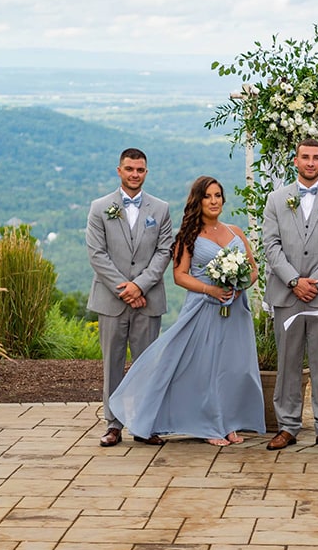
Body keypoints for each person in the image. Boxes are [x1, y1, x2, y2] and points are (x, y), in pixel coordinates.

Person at [109, 176, 266, 445]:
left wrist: (240, 285)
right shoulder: (188, 236)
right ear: (198, 201)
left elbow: (253, 269)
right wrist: (212, 290)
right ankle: (207, 426)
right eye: (208, 196)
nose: (214, 201)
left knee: (233, 367)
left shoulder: (236, 232)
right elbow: (180, 275)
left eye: (218, 196)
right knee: (203, 369)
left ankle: (227, 423)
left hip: (235, 310)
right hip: (204, 308)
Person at [263, 138, 318, 451]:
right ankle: (287, 426)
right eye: (305, 157)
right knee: (288, 361)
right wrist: (293, 281)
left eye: (316, 157)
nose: (311, 162)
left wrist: (315, 282)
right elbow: (270, 246)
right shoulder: (276, 199)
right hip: (287, 295)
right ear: (295, 161)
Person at [86, 148, 173, 447]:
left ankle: (145, 423)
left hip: (147, 300)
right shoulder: (100, 207)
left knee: (146, 364)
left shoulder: (161, 209)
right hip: (111, 300)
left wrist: (141, 286)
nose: (135, 174)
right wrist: (126, 288)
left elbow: (165, 252)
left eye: (140, 169)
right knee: (112, 362)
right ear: (119, 170)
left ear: (146, 172)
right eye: (129, 169)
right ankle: (113, 424)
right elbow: (97, 254)